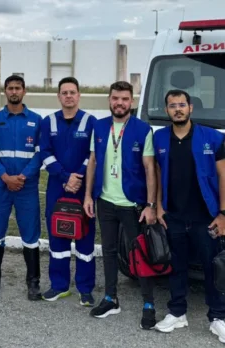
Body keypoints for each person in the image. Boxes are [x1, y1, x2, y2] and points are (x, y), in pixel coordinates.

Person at [84, 81, 157, 329]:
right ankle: (111, 298)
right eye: (115, 98)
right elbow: (93, 161)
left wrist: (150, 204)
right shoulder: (99, 126)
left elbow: (149, 168)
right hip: (105, 201)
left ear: (131, 102)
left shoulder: (143, 129)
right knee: (109, 251)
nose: (120, 103)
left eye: (125, 99)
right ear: (109, 100)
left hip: (132, 203)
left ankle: (149, 302)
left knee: (140, 252)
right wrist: (88, 196)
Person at [153, 89, 225, 342]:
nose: (177, 109)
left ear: (191, 108)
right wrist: (159, 206)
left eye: (182, 104)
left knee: (212, 267)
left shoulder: (213, 137)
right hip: (173, 215)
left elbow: (223, 176)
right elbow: (160, 173)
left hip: (206, 216)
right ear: (167, 110)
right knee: (177, 266)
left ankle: (218, 317)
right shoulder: (160, 138)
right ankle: (177, 312)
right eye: (172, 105)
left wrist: (223, 213)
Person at [0, 75, 43, 301]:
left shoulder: (36, 120)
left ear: (24, 91)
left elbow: (39, 154)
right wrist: (6, 177)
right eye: (10, 88)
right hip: (1, 186)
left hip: (26, 187)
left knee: (30, 234)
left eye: (18, 88)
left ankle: (33, 282)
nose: (14, 91)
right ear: (5, 91)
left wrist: (22, 176)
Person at [39, 77, 97, 305]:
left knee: (85, 239)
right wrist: (65, 177)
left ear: (79, 95)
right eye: (64, 92)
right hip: (58, 187)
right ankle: (59, 285)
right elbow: (44, 152)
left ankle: (85, 288)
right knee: (57, 236)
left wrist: (77, 178)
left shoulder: (91, 122)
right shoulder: (48, 122)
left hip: (84, 190)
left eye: (72, 92)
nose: (69, 96)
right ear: (59, 96)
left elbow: (92, 155)